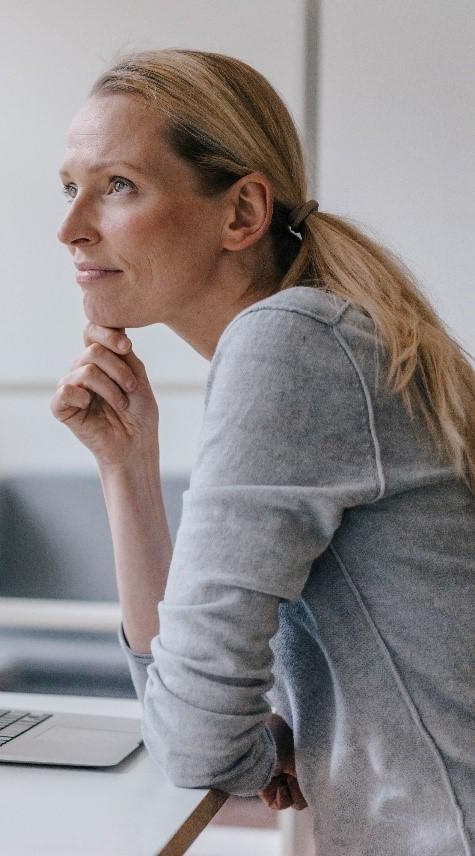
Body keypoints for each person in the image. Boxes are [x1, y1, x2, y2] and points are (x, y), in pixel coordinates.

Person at [49, 49, 475, 854]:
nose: (70, 227)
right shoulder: (328, 334)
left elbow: (197, 745)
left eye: (117, 187)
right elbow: (200, 725)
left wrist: (250, 745)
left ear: (241, 213)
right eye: (69, 187)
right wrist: (125, 467)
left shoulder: (289, 344)